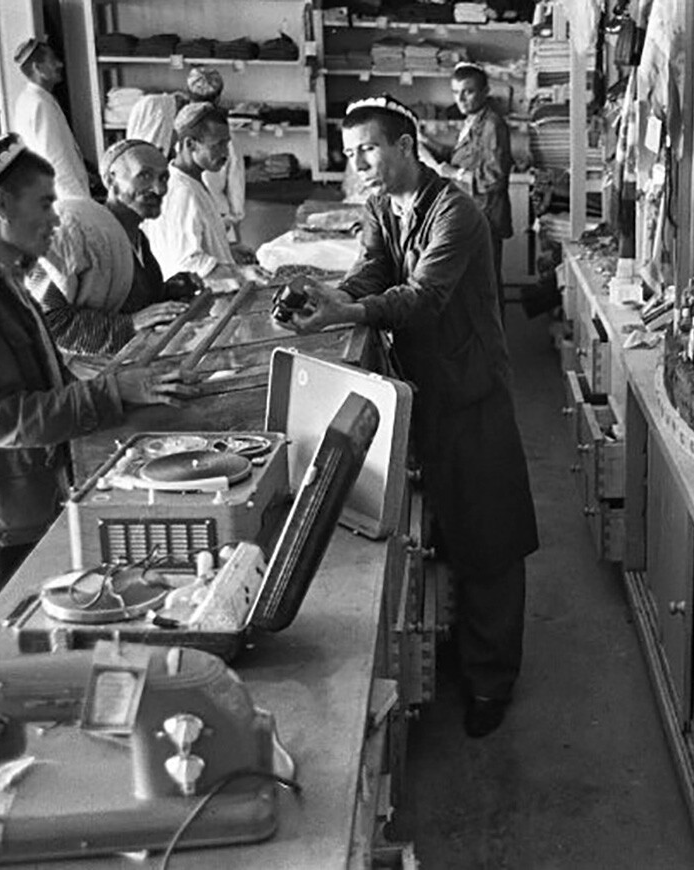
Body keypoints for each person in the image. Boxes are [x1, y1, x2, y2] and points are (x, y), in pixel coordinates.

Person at [282, 96, 538, 738]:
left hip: (470, 392)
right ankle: (466, 649)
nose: (358, 162)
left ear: (404, 146)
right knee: (448, 528)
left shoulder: (458, 212)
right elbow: (372, 272)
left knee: (489, 538)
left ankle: (491, 683)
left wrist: (343, 314)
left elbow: (424, 298)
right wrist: (328, 296)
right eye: (350, 153)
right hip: (422, 390)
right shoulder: (381, 208)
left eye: (368, 149)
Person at [0, 133, 195, 623]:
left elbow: (50, 377)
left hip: (30, 496)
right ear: (1, 204)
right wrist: (114, 390)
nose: (56, 218)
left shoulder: (4, 277)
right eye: (44, 204)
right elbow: (4, 420)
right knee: (17, 649)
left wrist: (126, 387)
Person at [30, 139, 197, 355]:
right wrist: (128, 325)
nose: (159, 189)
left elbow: (133, 304)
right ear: (111, 180)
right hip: (87, 378)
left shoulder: (137, 239)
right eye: (144, 175)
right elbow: (49, 321)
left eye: (163, 178)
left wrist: (171, 291)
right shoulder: (79, 232)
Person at [423, 62, 513, 312]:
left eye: (468, 91)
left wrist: (452, 173)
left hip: (486, 215)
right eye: (455, 92)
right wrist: (426, 143)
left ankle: (496, 345)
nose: (460, 99)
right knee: (475, 282)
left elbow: (494, 177)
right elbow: (459, 157)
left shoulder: (492, 124)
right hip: (470, 211)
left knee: (487, 283)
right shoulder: (471, 122)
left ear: (485, 92)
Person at [143, 102, 243, 281]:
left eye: (226, 144)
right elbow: (187, 263)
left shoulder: (194, 181)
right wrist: (240, 272)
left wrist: (226, 251)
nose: (225, 153)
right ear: (190, 144)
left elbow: (196, 242)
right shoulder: (181, 192)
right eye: (218, 145)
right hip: (197, 300)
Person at [11, 37, 91, 201]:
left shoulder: (31, 98)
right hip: (65, 197)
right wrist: (80, 202)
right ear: (38, 68)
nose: (60, 64)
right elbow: (55, 157)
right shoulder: (40, 103)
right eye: (53, 60)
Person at [185, 67, 247, 244]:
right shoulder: (227, 138)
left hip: (184, 221)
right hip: (220, 219)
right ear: (218, 98)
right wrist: (233, 218)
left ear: (188, 95)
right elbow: (235, 184)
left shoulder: (178, 134)